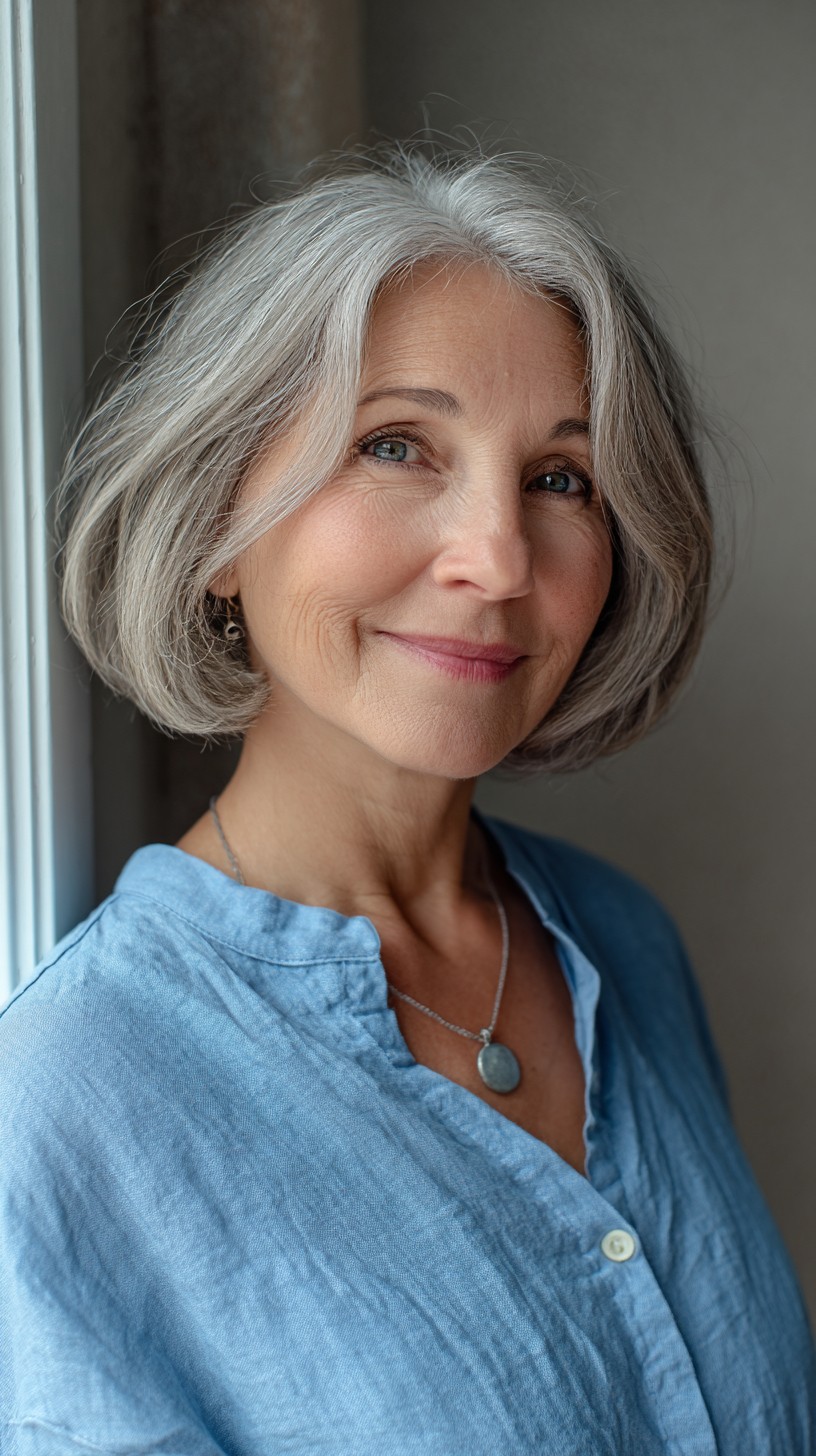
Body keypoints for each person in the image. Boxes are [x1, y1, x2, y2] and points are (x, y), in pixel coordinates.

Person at [0, 142, 812, 1455]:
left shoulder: (626, 941)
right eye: (395, 445)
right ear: (216, 525)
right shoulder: (70, 1102)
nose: (498, 557)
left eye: (560, 477)